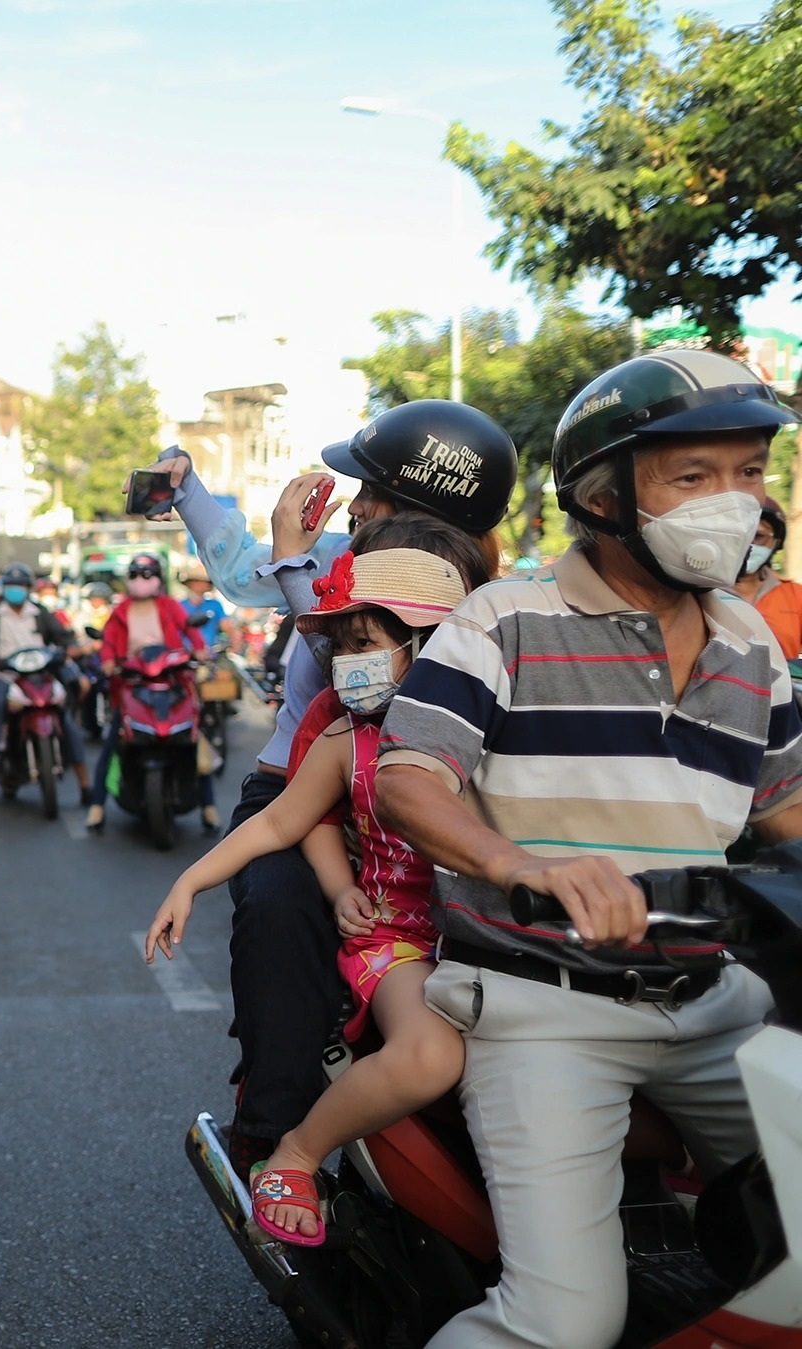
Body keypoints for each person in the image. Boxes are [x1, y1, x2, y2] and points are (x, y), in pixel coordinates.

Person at [379, 350, 802, 1349]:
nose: (731, 503)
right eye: (692, 476)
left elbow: (783, 807)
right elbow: (407, 776)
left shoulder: (752, 640)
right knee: (561, 1321)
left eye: (747, 473)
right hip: (541, 1007)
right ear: (601, 493)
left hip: (712, 1001)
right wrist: (520, 863)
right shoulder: (503, 618)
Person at [153, 400, 517, 1173]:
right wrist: (204, 501)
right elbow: (350, 677)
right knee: (281, 901)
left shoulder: (489, 600)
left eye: (372, 492)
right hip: (307, 778)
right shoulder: (329, 560)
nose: (355, 505)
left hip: (429, 785)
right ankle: (274, 1119)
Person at [146, 542, 479, 1244]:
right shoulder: (343, 739)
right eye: (342, 645)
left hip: (490, 938)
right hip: (400, 940)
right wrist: (191, 880)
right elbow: (278, 822)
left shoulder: (500, 734)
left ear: (430, 646)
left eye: (365, 642)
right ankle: (294, 1153)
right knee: (430, 1055)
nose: (347, 661)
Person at [85, 554, 209, 831]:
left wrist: (200, 650)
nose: (140, 581)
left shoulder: (170, 606)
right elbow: (108, 641)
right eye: (135, 575)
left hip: (172, 681)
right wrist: (108, 661)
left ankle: (209, 806)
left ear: (158, 578)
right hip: (131, 684)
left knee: (194, 738)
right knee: (111, 743)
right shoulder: (121, 610)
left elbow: (190, 630)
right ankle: (96, 805)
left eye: (147, 574)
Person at [0, 563, 91, 796]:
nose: (16, 590)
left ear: (28, 588)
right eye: (11, 586)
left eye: (20, 586)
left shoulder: (39, 612)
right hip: (8, 676)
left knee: (65, 721)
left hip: (40, 677)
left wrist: (72, 647)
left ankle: (84, 783)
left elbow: (63, 636)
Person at [734, 500, 802, 665]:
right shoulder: (697, 591)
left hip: (782, 689)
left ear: (776, 542)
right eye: (740, 535)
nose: (748, 545)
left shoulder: (796, 596)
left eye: (757, 536)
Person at [177, 568, 227, 647]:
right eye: (197, 581)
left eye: (205, 582)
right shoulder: (179, 606)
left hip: (210, 653)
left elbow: (226, 625)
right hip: (185, 653)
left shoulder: (214, 605)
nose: (201, 584)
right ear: (189, 583)